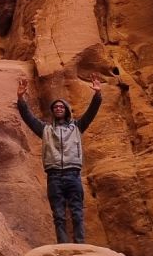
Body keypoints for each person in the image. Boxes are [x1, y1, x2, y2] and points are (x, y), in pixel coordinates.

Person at [16, 75, 103, 245]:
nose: (58, 108)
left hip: (73, 174)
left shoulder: (77, 126)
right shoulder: (45, 130)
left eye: (61, 106)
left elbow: (91, 113)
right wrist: (20, 99)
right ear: (53, 111)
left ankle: (80, 244)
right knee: (59, 214)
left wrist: (97, 95)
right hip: (54, 176)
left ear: (67, 110)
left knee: (77, 212)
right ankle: (63, 246)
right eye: (55, 107)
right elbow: (28, 118)